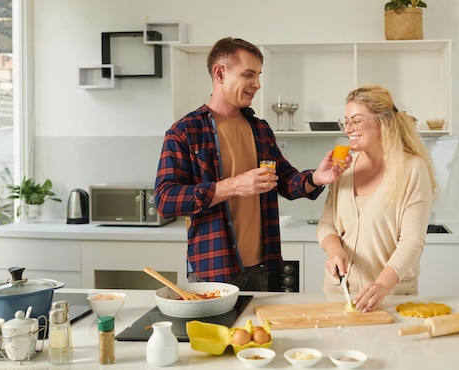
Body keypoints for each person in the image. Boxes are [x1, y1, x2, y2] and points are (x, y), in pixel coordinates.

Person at [154, 37, 350, 290]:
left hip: (265, 266)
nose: (256, 84)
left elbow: (285, 181)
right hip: (214, 269)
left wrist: (315, 178)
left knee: (263, 331)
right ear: (220, 73)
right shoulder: (185, 131)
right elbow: (165, 200)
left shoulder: (259, 128)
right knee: (216, 331)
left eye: (258, 75)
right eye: (248, 75)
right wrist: (233, 186)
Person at [317, 85, 438, 311]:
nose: (348, 128)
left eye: (356, 120)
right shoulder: (345, 167)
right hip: (339, 293)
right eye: (346, 121)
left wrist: (382, 285)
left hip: (390, 297)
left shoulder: (411, 169)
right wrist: (334, 251)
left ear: (382, 122)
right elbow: (327, 224)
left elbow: (412, 241)